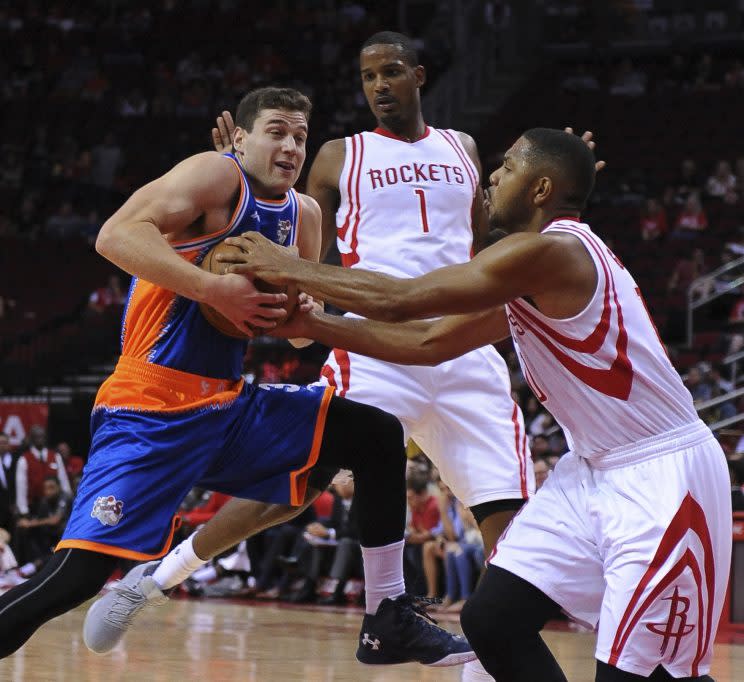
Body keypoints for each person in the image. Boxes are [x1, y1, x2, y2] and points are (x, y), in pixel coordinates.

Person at [227, 127, 731, 682]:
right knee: (492, 622)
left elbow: (403, 300)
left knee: (645, 676)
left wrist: (288, 265)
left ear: (540, 189)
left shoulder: (552, 252)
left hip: (662, 476)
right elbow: (428, 342)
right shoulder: (532, 274)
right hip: (590, 472)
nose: (492, 175)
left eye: (509, 166)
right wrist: (314, 323)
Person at [0, 87, 474, 669]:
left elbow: (300, 335)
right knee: (74, 579)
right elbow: (115, 236)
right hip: (150, 405)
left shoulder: (306, 214)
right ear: (241, 136)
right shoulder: (214, 178)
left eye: (301, 136)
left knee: (375, 435)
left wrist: (307, 314)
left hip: (227, 405)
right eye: (276, 131)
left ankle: (386, 617)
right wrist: (210, 286)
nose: (292, 146)